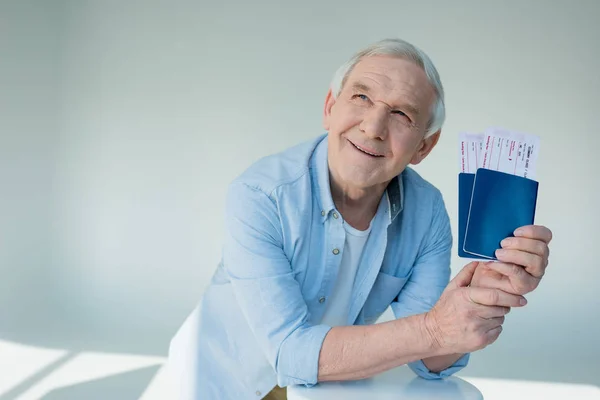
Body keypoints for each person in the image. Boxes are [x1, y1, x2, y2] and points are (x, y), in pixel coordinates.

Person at [167, 38, 553, 400]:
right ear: (330, 108)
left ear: (424, 147)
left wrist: (479, 298)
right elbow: (289, 354)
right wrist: (435, 328)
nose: (373, 127)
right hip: (218, 383)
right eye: (362, 97)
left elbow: (428, 361)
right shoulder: (259, 195)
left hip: (321, 388)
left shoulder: (427, 211)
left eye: (401, 114)